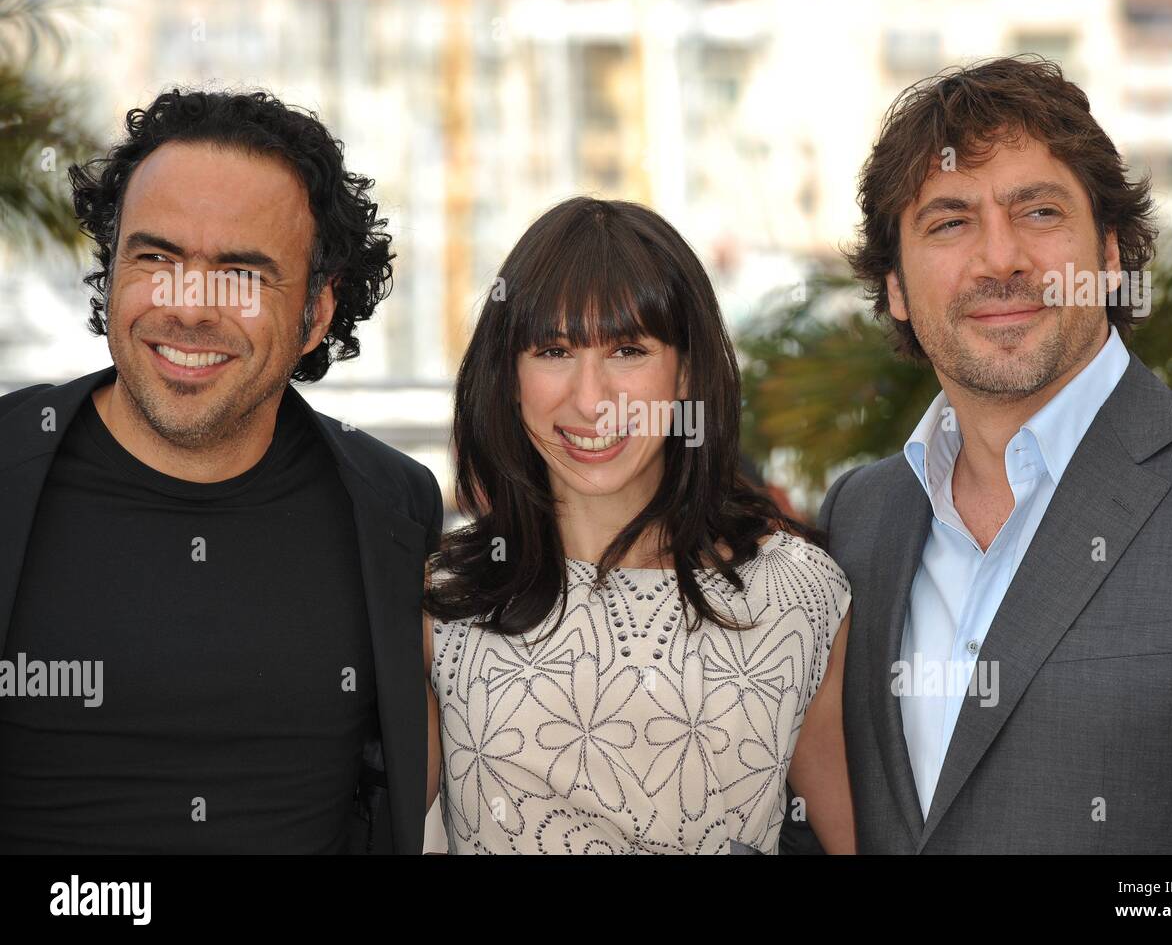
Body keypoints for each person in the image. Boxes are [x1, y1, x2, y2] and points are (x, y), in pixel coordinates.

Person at [782, 56, 1172, 854]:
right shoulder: (860, 515)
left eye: (1040, 212)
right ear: (894, 287)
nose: (1001, 260)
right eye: (950, 222)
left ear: (1112, 254)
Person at [0, 90, 441, 853]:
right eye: (156, 257)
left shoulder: (393, 507)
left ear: (316, 311)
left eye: (241, 274)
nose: (190, 307)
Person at [423, 197, 854, 854]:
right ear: (510, 377)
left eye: (627, 349)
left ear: (685, 372)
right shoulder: (443, 603)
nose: (591, 400)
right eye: (554, 349)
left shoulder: (799, 593)